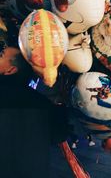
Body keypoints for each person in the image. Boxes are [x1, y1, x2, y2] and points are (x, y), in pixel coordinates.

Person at [0, 22, 69, 178]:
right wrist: (60, 105)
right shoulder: (39, 103)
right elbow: (59, 133)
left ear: (10, 70)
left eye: (1, 54)